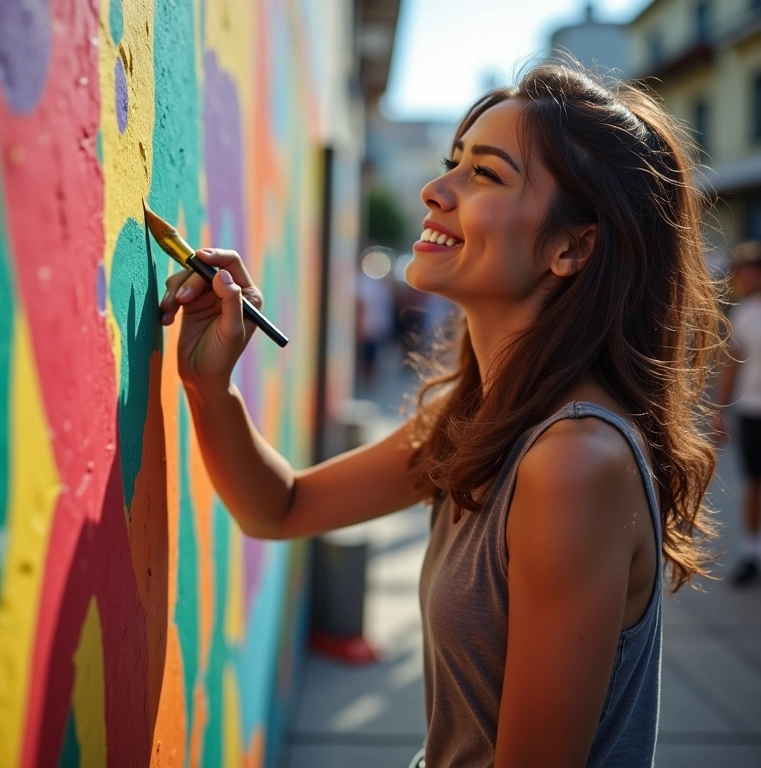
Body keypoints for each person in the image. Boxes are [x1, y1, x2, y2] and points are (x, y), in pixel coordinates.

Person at [159, 62, 723, 768]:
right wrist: (211, 387)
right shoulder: (486, 418)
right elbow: (280, 508)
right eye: (452, 161)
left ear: (572, 247)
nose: (434, 189)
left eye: (485, 174)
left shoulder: (573, 461)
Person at [714, 241, 761, 587]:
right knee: (753, 484)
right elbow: (731, 363)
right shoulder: (743, 312)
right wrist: (720, 411)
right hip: (751, 411)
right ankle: (750, 554)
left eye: (746, 270)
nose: (740, 277)